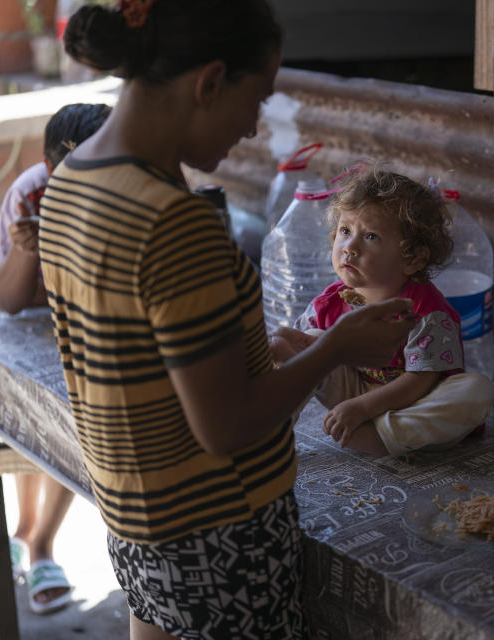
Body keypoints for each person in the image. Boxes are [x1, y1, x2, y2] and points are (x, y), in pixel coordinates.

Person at [40, 2, 416, 638]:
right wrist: (333, 348)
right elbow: (227, 426)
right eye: (256, 99)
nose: (252, 129)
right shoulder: (174, 222)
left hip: (137, 528)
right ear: (209, 82)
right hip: (217, 542)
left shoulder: (73, 181)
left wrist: (267, 350)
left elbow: (142, 359)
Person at [0, 102, 111, 615]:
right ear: (50, 170)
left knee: (75, 427)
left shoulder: (132, 191)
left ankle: (38, 542)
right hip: (40, 334)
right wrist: (26, 253)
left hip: (100, 334)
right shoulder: (32, 192)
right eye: (64, 182)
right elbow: (11, 298)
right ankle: (28, 534)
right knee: (30, 415)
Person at [269, 165, 494, 456]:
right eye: (345, 230)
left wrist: (362, 408)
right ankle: (272, 431)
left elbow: (421, 379)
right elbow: (304, 356)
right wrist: (286, 345)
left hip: (410, 405)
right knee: (293, 339)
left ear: (412, 258)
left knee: (476, 390)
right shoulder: (329, 304)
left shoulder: (425, 312)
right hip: (350, 396)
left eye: (371, 236)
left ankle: (384, 436)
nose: (349, 247)